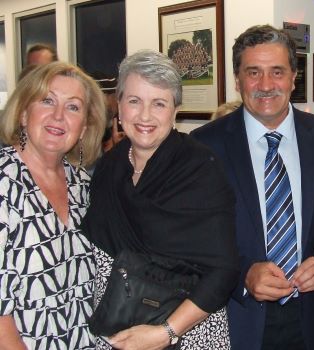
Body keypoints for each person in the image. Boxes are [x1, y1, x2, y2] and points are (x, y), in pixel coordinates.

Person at [191, 25, 314, 350]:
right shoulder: (204, 146)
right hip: (238, 321)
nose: (266, 85)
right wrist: (242, 275)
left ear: (294, 77)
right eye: (254, 72)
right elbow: (196, 238)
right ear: (238, 81)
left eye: (277, 72)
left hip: (311, 320)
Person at [80, 50, 239, 350]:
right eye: (134, 101)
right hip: (117, 328)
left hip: (187, 332)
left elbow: (224, 271)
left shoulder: (200, 169)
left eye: (159, 104)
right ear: (119, 107)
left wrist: (165, 333)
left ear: (175, 111)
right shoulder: (109, 168)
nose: (145, 116)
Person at [0, 62, 106, 349]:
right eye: (47, 100)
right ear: (23, 113)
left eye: (73, 107)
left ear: (84, 127)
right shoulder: (4, 184)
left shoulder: (84, 186)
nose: (58, 116)